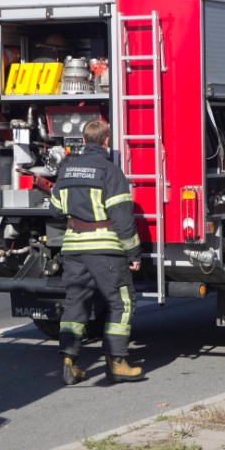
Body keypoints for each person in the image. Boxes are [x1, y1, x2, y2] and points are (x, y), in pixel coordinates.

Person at [49, 119, 144, 385]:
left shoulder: (66, 169)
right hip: (105, 250)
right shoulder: (110, 171)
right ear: (106, 141)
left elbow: (55, 210)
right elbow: (122, 217)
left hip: (73, 248)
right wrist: (133, 253)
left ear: (84, 140)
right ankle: (117, 362)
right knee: (121, 303)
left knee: (75, 303)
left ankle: (69, 362)